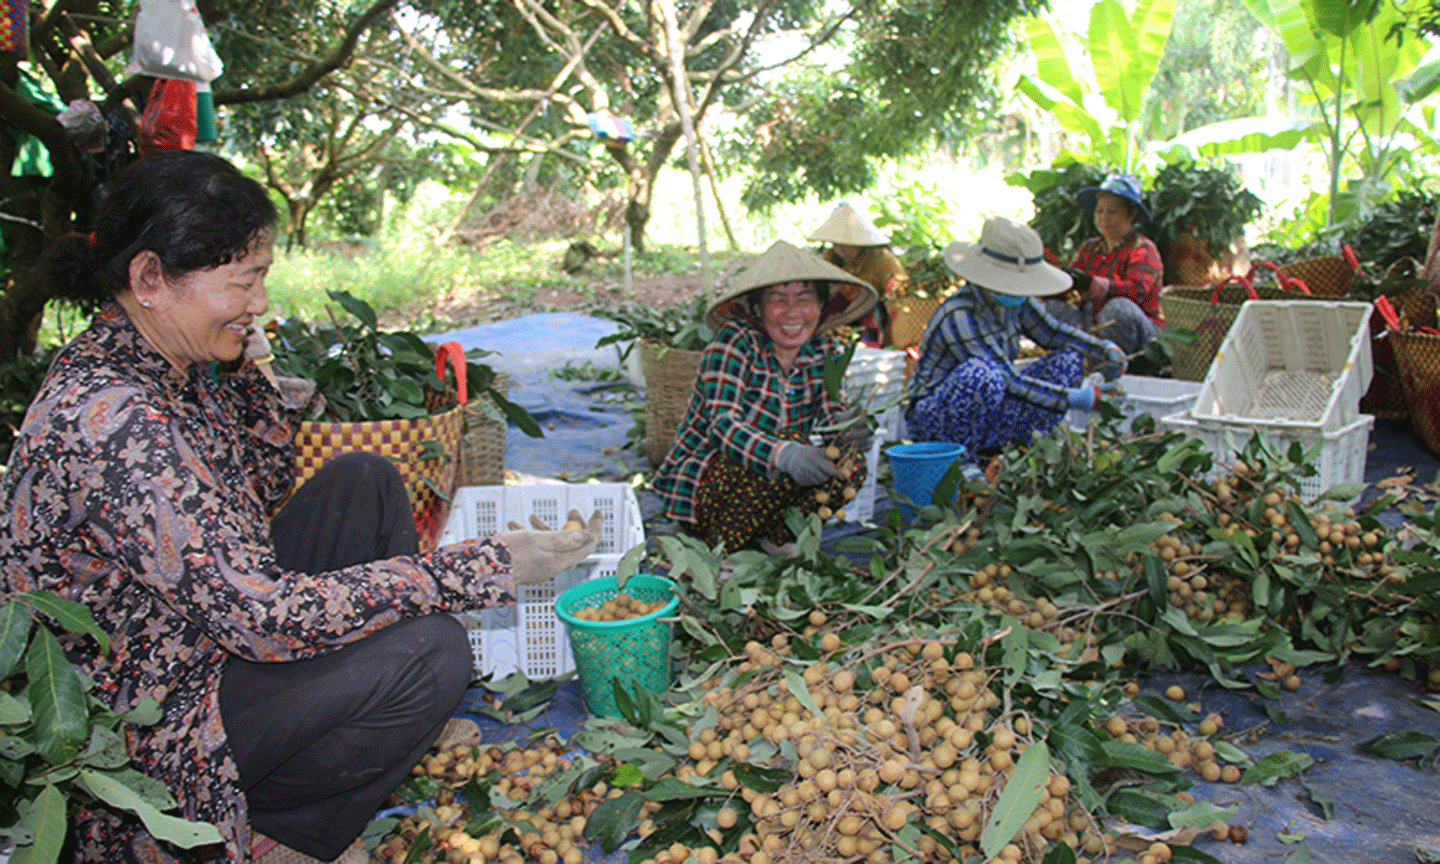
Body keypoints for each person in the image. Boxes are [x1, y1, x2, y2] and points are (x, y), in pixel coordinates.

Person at [0, 150, 603, 864]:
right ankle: (277, 830)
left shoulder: (170, 357)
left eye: (262, 279)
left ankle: (357, 727)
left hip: (195, 631)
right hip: (144, 723)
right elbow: (262, 617)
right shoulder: (115, 423)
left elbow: (264, 479)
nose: (259, 302)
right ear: (151, 279)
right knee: (432, 651)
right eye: (243, 282)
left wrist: (249, 369)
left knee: (363, 480)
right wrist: (487, 566)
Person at [653, 240, 877, 553]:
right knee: (779, 449)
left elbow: (829, 414)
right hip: (711, 476)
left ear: (821, 307)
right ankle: (708, 539)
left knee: (851, 465)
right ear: (758, 307)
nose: (792, 312)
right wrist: (784, 453)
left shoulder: (823, 352)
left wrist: (847, 428)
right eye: (778, 300)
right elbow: (722, 426)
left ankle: (774, 537)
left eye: (804, 299)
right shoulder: (734, 343)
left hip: (765, 489)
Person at [905, 217, 1127, 467]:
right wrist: (1076, 398)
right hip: (937, 421)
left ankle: (1021, 452)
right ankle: (960, 462)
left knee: (1068, 360)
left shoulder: (1015, 300)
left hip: (990, 416)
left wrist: (1103, 350)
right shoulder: (960, 314)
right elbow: (1008, 380)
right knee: (982, 375)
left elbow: (1053, 333)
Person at [1043, 173, 1163, 356]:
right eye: (1099, 211)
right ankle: (1083, 358)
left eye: (1112, 212)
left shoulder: (1144, 249)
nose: (1104, 218)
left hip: (1139, 332)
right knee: (1050, 309)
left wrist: (1093, 284)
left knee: (1118, 309)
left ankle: (1112, 362)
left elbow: (1137, 290)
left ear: (1131, 214)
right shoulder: (1090, 247)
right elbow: (1068, 284)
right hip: (1094, 324)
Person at [809, 202, 908, 347]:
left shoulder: (882, 259)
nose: (840, 250)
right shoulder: (830, 259)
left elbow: (900, 296)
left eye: (845, 244)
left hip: (876, 329)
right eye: (835, 244)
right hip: (839, 327)